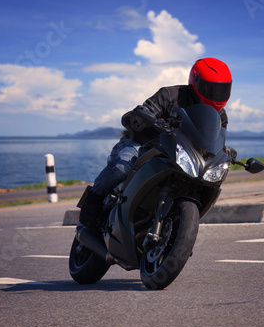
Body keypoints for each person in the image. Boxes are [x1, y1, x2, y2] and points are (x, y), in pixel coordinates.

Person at [79, 57, 233, 228]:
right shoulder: (170, 95)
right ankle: (93, 199)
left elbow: (216, 141)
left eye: (221, 90)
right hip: (142, 145)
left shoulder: (220, 116)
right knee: (122, 166)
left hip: (179, 153)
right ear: (194, 81)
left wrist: (225, 151)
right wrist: (140, 118)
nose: (216, 95)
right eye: (210, 89)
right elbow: (146, 110)